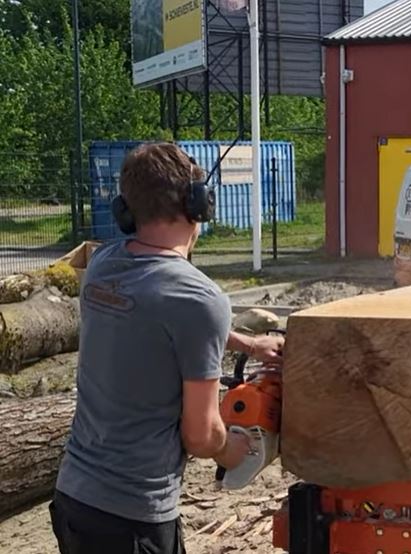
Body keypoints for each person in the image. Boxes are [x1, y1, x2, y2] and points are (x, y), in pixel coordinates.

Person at [48, 142, 284, 554]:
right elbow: (200, 435)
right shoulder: (199, 299)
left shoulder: (103, 265)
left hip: (73, 501)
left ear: (126, 208)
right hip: (134, 517)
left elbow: (161, 318)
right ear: (198, 204)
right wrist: (236, 451)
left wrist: (246, 342)